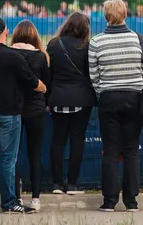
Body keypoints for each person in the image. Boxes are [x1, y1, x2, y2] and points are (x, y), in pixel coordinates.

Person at [0, 17, 45, 214]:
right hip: (9, 113)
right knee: (8, 159)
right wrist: (43, 86)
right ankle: (9, 202)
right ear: (6, 31)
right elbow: (32, 81)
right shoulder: (14, 57)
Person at [89, 0, 143, 213]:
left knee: (111, 150)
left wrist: (103, 89)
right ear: (125, 14)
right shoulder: (137, 39)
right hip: (133, 97)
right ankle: (131, 201)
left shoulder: (97, 42)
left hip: (109, 98)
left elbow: (94, 75)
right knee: (131, 150)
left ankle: (110, 201)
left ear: (106, 16)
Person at [47, 12, 95, 196]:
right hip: (82, 99)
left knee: (58, 140)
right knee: (77, 140)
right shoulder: (87, 47)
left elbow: (50, 73)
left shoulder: (54, 44)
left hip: (58, 97)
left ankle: (56, 183)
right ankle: (73, 184)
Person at [10, 20, 50, 211]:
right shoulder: (41, 57)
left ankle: (16, 197)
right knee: (35, 155)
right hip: (36, 109)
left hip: (15, 108)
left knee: (13, 156)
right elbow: (46, 84)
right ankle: (35, 197)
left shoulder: (10, 54)